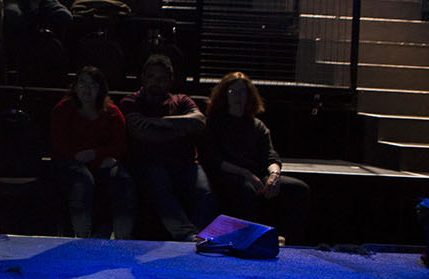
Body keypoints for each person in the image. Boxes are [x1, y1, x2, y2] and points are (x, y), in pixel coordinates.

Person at [201, 73, 311, 244]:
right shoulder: (214, 123)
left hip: (256, 174)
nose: (238, 97)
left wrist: (275, 175)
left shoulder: (257, 125)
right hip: (229, 174)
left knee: (299, 189)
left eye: (243, 92)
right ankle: (250, 240)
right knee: (246, 189)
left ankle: (295, 243)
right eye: (233, 92)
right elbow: (212, 158)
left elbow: (270, 155)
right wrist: (245, 173)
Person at [120, 53, 215, 241]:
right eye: (152, 77)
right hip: (150, 163)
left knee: (205, 193)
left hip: (186, 163)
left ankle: (202, 237)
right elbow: (143, 134)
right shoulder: (131, 102)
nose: (157, 82)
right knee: (159, 183)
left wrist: (161, 122)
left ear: (170, 81)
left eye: (162, 78)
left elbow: (199, 120)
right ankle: (187, 236)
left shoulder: (181, 100)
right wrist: (181, 130)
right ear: (143, 78)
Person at [50, 66, 134, 239]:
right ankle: (82, 237)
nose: (87, 89)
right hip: (70, 162)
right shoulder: (63, 109)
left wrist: (97, 154)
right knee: (82, 180)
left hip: (101, 161)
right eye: (82, 83)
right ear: (75, 87)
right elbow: (58, 144)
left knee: (122, 180)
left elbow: (120, 145)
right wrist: (80, 156)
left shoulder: (112, 113)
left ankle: (124, 239)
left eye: (93, 85)